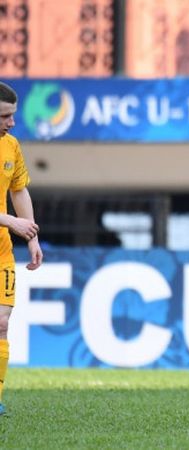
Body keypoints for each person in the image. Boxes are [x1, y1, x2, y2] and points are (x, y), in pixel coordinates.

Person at [0, 81, 42, 417]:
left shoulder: (11, 146)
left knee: (1, 322)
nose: (11, 123)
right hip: (5, 232)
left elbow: (20, 191)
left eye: (12, 116)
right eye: (4, 116)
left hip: (1, 252)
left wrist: (31, 236)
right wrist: (10, 222)